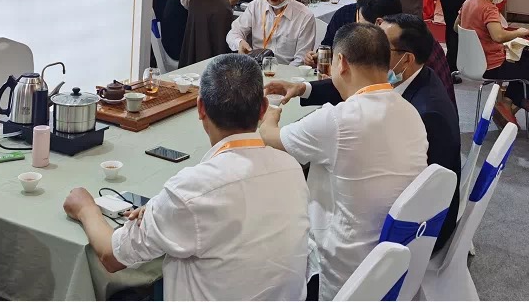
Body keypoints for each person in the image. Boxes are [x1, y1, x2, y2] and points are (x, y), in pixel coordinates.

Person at [63, 54, 310, 301]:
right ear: (263, 109)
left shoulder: (193, 190)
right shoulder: (291, 168)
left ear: (200, 108)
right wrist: (162, 208)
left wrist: (85, 208)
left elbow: (112, 255)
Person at [260, 24, 428, 301]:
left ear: (341, 62)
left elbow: (270, 138)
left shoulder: (337, 120)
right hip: (396, 259)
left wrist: (271, 111)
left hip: (344, 268)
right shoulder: (410, 111)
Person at [267, 15, 460, 253]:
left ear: (407, 59)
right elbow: (360, 88)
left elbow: (430, 191)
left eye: (383, 46)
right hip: (388, 223)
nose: (373, 50)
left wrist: (269, 112)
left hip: (412, 233)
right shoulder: (412, 89)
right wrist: (303, 88)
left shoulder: (428, 112)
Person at [311, 0, 457, 108]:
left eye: (362, 26)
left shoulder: (403, 50)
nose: (359, 32)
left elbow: (370, 93)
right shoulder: (408, 35)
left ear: (379, 23)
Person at [226, 0, 316, 65]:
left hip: (287, 71)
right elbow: (233, 33)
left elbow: (301, 60)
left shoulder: (304, 16)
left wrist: (280, 74)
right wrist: (239, 42)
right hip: (256, 68)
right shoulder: (255, 7)